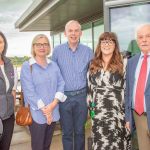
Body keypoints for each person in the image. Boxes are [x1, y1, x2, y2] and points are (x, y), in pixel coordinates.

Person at [52, 20, 93, 150]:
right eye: (70, 31)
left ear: (80, 33)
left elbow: (92, 75)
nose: (73, 33)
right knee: (67, 133)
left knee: (80, 131)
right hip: (64, 98)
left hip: (81, 97)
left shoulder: (88, 51)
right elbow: (53, 75)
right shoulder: (57, 51)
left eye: (76, 31)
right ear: (65, 33)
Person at [20, 34, 66, 150]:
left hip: (53, 112)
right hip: (37, 114)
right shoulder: (27, 66)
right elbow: (29, 92)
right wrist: (46, 110)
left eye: (45, 44)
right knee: (38, 147)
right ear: (33, 47)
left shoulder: (54, 65)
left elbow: (61, 84)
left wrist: (53, 105)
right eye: (39, 44)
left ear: (49, 47)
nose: (42, 47)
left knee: (46, 146)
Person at [87, 32, 131, 150]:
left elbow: (128, 91)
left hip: (117, 115)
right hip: (98, 115)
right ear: (100, 44)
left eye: (110, 41)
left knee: (118, 144)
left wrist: (128, 116)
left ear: (115, 44)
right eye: (104, 41)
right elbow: (90, 92)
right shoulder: (92, 64)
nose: (107, 44)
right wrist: (92, 114)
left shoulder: (124, 63)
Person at [125, 24, 150, 150]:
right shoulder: (131, 62)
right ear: (137, 40)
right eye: (140, 37)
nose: (144, 40)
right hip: (138, 116)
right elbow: (128, 91)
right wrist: (128, 117)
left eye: (148, 36)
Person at [0, 31, 18, 150]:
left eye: (0, 41)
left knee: (5, 147)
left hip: (9, 114)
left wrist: (14, 91)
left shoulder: (8, 63)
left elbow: (14, 80)